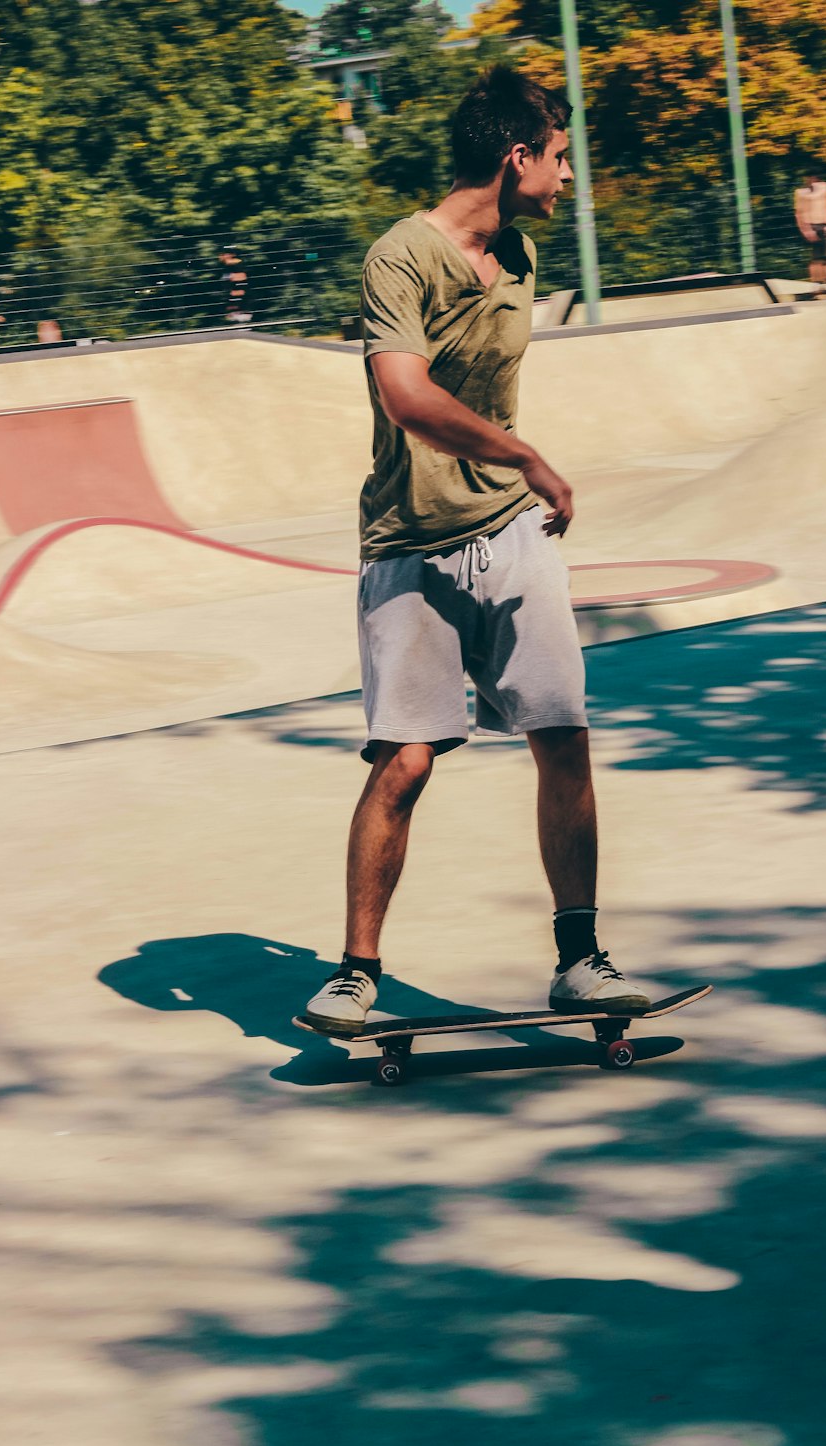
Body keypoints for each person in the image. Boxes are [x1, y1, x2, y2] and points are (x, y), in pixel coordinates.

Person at [304, 65, 653, 1034]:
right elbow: (406, 400)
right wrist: (528, 455)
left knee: (561, 734)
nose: (567, 176)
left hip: (511, 535)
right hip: (408, 543)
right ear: (516, 158)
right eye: (558, 158)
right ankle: (355, 974)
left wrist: (513, 477)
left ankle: (580, 959)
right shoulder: (399, 256)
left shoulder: (527, 260)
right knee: (405, 759)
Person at [794, 170, 826, 291]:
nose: (810, 181)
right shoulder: (801, 192)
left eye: (813, 178)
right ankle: (817, 282)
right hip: (811, 225)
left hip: (825, 224)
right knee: (816, 257)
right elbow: (799, 213)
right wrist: (806, 229)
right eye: (808, 178)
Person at [218, 247, 251, 323]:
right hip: (234, 301)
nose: (220, 256)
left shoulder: (236, 263)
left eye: (223, 254)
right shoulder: (227, 267)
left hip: (239, 305)